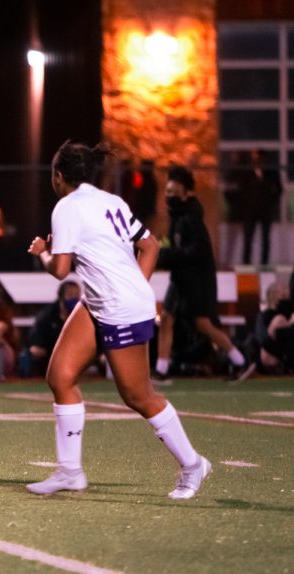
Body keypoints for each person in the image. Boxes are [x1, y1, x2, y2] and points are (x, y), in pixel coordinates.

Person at [26, 141, 211, 500]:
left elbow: (60, 270)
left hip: (118, 307)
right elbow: (151, 246)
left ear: (59, 176)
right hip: (100, 301)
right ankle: (70, 472)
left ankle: (193, 464)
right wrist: (132, 287)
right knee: (60, 376)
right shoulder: (111, 200)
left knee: (137, 395)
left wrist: (43, 252)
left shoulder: (66, 207)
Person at [153, 166, 253, 384]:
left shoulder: (190, 219)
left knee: (202, 324)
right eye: (167, 192)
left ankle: (240, 360)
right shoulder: (178, 217)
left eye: (173, 192)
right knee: (167, 319)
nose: (168, 196)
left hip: (195, 279)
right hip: (180, 278)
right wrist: (165, 253)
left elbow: (195, 252)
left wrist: (165, 256)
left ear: (187, 192)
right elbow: (177, 248)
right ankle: (162, 370)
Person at [26, 280, 80, 377]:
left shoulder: (81, 315)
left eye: (77, 295)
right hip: (50, 354)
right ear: (61, 296)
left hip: (72, 354)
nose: (74, 298)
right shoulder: (47, 315)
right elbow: (36, 341)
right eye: (70, 295)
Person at [240, 149, 282, 266]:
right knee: (248, 237)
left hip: (265, 210)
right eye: (255, 158)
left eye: (259, 158)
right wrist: (245, 205)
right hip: (250, 210)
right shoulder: (247, 173)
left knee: (265, 238)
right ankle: (246, 263)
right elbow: (241, 190)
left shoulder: (271, 173)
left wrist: (272, 203)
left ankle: (264, 263)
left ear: (264, 159)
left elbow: (278, 190)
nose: (257, 160)